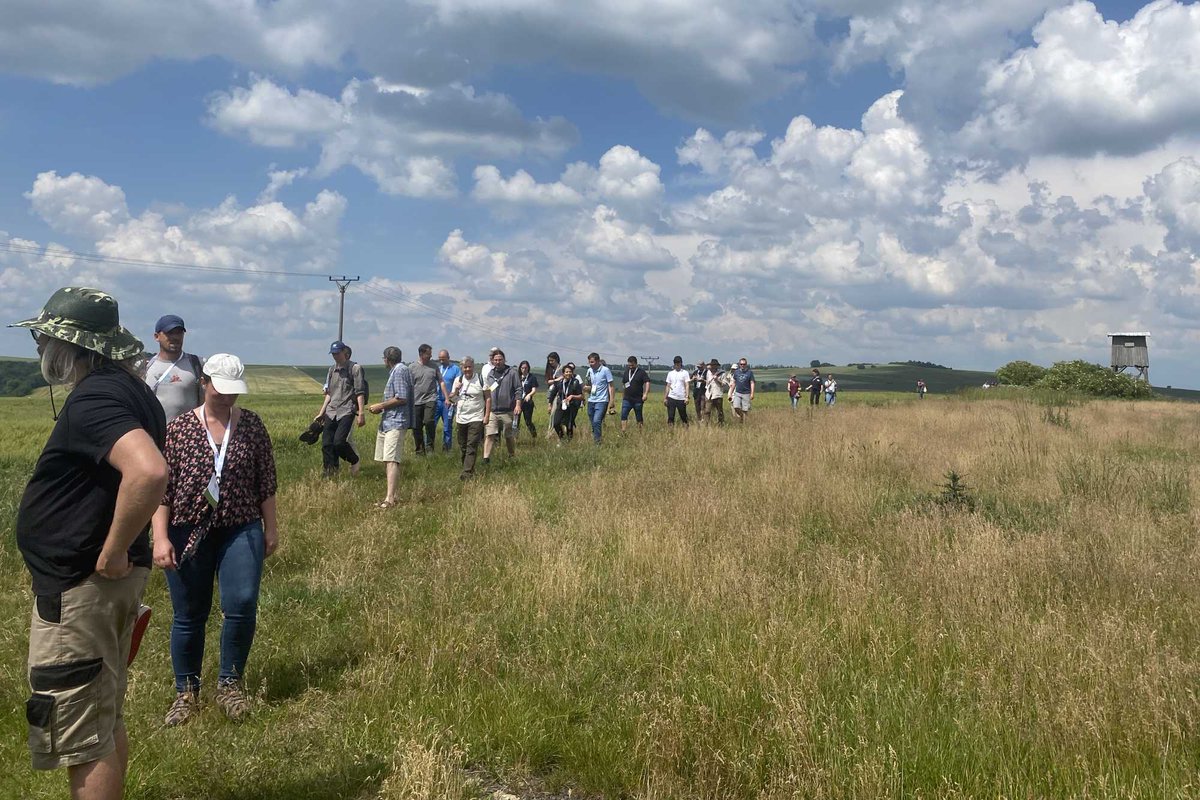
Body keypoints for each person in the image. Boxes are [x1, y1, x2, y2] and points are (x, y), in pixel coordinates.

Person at [11, 287, 168, 800]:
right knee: (102, 714)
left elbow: (148, 472)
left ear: (72, 345)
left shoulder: (96, 396)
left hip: (82, 584)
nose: (39, 347)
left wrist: (113, 549)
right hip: (101, 583)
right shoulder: (131, 390)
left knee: (80, 734)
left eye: (43, 338)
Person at [151, 354, 277, 727]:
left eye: (233, 391)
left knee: (242, 604)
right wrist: (160, 537)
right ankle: (186, 693)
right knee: (189, 613)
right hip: (187, 530)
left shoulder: (252, 425)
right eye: (220, 390)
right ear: (204, 383)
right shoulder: (178, 430)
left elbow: (266, 481)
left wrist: (271, 528)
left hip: (241, 526)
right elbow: (162, 490)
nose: (227, 397)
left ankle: (229, 684)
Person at [367, 347, 412, 509]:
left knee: (392, 459)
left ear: (387, 358)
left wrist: (381, 406)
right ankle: (391, 495)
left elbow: (402, 397)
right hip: (389, 421)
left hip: (396, 421)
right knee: (388, 459)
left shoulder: (399, 371)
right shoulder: (398, 370)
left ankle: (390, 499)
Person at [314, 341, 365, 477]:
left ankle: (354, 460)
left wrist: (361, 413)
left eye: (337, 353)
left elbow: (360, 392)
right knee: (326, 444)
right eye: (333, 354)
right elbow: (329, 393)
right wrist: (321, 412)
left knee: (339, 442)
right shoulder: (331, 370)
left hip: (347, 410)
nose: (335, 356)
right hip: (331, 410)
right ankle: (330, 472)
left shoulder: (355, 368)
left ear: (344, 353)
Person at [144, 314, 204, 423]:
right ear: (156, 337)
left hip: (188, 431)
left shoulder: (197, 364)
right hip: (154, 431)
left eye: (179, 333)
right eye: (169, 333)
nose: (175, 337)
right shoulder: (145, 367)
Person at [449, 356, 490, 479]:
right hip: (461, 417)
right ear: (462, 368)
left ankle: (466, 473)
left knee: (471, 445)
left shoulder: (481, 379)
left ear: (473, 367)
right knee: (463, 446)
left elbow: (488, 398)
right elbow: (452, 400)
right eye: (465, 367)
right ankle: (469, 468)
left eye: (469, 367)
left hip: (476, 417)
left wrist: (487, 415)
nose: (467, 369)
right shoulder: (458, 380)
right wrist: (456, 390)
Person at [483, 349, 522, 464]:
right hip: (493, 411)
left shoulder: (512, 372)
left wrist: (518, 405)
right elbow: (488, 391)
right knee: (490, 434)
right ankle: (486, 459)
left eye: (500, 359)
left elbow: (518, 389)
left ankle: (511, 456)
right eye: (495, 360)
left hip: (507, 410)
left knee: (508, 436)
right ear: (492, 361)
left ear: (504, 360)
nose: (498, 362)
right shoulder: (490, 374)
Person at [409, 344, 439, 456]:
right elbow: (408, 385)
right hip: (416, 401)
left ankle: (430, 447)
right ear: (421, 354)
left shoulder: (434, 366)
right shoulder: (412, 367)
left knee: (428, 421)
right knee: (416, 427)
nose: (430, 356)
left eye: (431, 354)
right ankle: (420, 451)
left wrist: (446, 397)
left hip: (430, 398)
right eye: (428, 354)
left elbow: (440, 381)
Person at [548, 362, 584, 442]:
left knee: (569, 425)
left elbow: (581, 396)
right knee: (556, 423)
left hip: (572, 406)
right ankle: (562, 438)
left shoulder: (575, 382)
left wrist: (572, 396)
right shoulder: (559, 383)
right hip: (561, 405)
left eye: (570, 372)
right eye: (566, 372)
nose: (568, 373)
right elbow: (553, 394)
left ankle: (569, 442)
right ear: (563, 373)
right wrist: (550, 405)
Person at [583, 352, 614, 443]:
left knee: (597, 421)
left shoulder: (605, 370)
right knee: (593, 421)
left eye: (592, 362)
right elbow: (588, 383)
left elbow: (611, 386)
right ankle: (596, 436)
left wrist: (611, 400)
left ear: (598, 361)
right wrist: (586, 389)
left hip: (602, 400)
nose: (590, 364)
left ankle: (598, 442)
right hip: (591, 399)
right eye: (589, 362)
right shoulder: (589, 370)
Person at [435, 349, 461, 452]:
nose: (441, 361)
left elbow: (459, 385)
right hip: (436, 400)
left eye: (443, 359)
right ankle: (429, 448)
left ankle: (446, 449)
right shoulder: (437, 368)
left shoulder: (455, 369)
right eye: (440, 359)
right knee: (431, 425)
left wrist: (453, 399)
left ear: (448, 358)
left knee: (447, 427)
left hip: (448, 402)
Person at [620, 355, 651, 433]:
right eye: (629, 365)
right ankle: (623, 431)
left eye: (632, 365)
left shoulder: (641, 372)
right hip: (627, 399)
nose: (631, 367)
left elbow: (647, 382)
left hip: (638, 399)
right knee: (623, 414)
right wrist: (623, 394)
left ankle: (640, 432)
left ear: (636, 364)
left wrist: (645, 394)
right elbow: (624, 384)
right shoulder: (626, 372)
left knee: (638, 416)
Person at [663, 355, 691, 428]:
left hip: (681, 398)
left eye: (678, 362)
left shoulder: (685, 373)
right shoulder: (670, 373)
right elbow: (668, 385)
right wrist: (665, 397)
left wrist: (687, 397)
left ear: (681, 363)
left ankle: (686, 429)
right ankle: (670, 430)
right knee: (671, 416)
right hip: (671, 397)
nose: (677, 364)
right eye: (675, 363)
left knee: (683, 416)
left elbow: (687, 385)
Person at [515, 360, 539, 439]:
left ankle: (534, 436)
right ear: (520, 368)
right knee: (515, 421)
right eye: (522, 368)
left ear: (528, 368)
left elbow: (534, 389)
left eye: (525, 368)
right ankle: (515, 438)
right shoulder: (517, 377)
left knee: (528, 421)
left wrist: (529, 395)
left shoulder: (532, 377)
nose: (524, 370)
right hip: (517, 402)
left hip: (527, 402)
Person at [729, 357, 755, 423]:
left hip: (746, 393)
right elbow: (734, 383)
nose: (742, 365)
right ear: (739, 364)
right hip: (738, 393)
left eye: (744, 364)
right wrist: (730, 393)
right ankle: (741, 416)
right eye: (741, 364)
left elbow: (752, 383)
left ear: (746, 364)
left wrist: (752, 393)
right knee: (736, 406)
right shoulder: (736, 372)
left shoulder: (750, 373)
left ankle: (744, 423)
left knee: (745, 410)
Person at [703, 359, 729, 425]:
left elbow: (724, 384)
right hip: (709, 394)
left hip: (717, 394)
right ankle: (706, 424)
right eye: (712, 365)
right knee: (707, 410)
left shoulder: (722, 373)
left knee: (719, 411)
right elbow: (707, 381)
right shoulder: (708, 372)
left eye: (714, 365)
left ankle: (721, 424)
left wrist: (717, 379)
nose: (712, 366)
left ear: (717, 366)